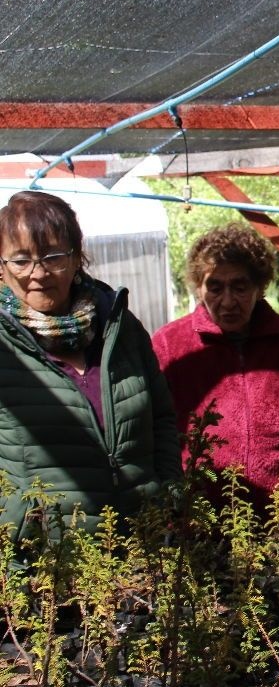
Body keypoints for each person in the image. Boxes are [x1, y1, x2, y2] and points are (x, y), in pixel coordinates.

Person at [0, 191, 180, 535]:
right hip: (47, 559)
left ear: (77, 257)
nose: (38, 273)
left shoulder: (120, 328)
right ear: (2, 266)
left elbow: (161, 419)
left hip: (144, 541)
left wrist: (167, 491)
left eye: (53, 257)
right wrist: (14, 523)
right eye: (21, 261)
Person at [153, 223, 279, 507]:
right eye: (215, 287)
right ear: (199, 288)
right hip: (197, 514)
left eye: (239, 287)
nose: (228, 301)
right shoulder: (170, 345)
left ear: (259, 287)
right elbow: (149, 429)